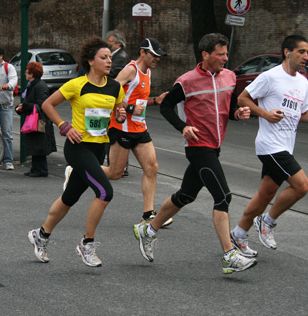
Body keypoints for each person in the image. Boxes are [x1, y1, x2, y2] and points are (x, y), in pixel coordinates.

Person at [133, 33, 257, 274]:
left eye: (226, 53)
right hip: (198, 146)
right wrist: (183, 127)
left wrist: (238, 114)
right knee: (223, 197)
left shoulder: (230, 77)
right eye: (220, 54)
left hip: (215, 146)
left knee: (186, 195)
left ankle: (148, 230)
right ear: (205, 55)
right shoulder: (186, 81)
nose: (225, 58)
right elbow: (167, 107)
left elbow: (229, 108)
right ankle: (229, 255)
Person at [230, 35, 308, 256]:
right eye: (301, 52)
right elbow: (242, 98)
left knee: (265, 195)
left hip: (285, 146)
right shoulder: (270, 77)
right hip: (270, 145)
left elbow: (303, 115)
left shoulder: (302, 82)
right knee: (302, 186)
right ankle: (267, 222)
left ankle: (238, 233)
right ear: (287, 52)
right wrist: (265, 114)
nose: (306, 57)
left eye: (307, 52)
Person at [27, 36, 126, 267]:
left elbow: (118, 108)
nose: (109, 61)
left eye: (110, 57)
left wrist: (120, 115)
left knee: (69, 197)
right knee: (104, 192)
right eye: (104, 57)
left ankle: (41, 235)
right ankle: (87, 244)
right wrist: (64, 126)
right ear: (91, 61)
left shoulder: (115, 87)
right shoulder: (76, 84)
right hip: (78, 147)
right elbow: (47, 104)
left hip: (99, 147)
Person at [101, 38, 173, 226]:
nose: (157, 59)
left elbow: (141, 101)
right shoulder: (130, 69)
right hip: (121, 127)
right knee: (114, 173)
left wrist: (156, 100)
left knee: (152, 167)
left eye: (159, 56)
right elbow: (111, 91)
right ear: (143, 52)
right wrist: (130, 108)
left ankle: (148, 214)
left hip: (139, 129)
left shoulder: (148, 73)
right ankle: (78, 169)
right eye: (154, 55)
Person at [15, 62, 56, 177]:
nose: (25, 73)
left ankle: (41, 170)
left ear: (31, 74)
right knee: (35, 144)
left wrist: (25, 106)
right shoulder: (33, 85)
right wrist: (21, 108)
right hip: (35, 119)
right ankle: (35, 168)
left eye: (27, 71)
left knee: (39, 145)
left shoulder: (39, 86)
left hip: (40, 120)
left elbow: (42, 104)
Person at [104, 29, 130, 173]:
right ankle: (114, 163)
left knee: (117, 131)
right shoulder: (115, 56)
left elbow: (112, 74)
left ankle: (119, 165)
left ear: (118, 43)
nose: (108, 44)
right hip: (112, 98)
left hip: (116, 98)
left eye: (111, 42)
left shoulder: (121, 57)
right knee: (111, 131)